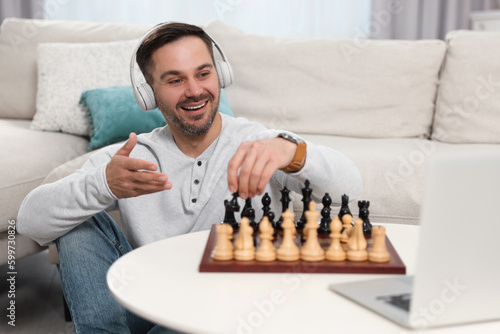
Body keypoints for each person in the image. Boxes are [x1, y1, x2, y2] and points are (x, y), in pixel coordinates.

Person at [17, 22, 362, 333]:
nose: (195, 90)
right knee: (75, 220)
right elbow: (31, 221)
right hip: (143, 301)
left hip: (222, 308)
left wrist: (293, 152)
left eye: (203, 73)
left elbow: (352, 189)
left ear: (220, 75)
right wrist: (102, 185)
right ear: (149, 93)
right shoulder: (132, 156)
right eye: (175, 79)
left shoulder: (261, 144)